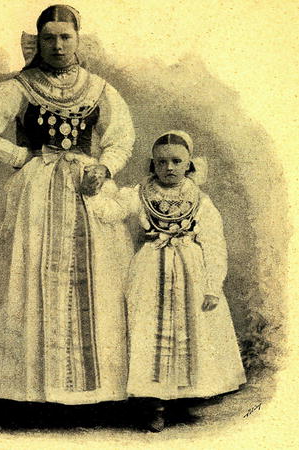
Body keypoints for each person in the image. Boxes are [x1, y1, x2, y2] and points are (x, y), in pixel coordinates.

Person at [0, 5, 135, 405]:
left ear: (78, 40)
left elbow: (122, 137)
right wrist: (20, 156)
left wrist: (104, 167)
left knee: (100, 279)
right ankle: (25, 391)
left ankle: (98, 392)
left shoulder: (98, 88)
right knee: (23, 276)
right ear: (38, 41)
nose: (57, 45)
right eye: (49, 38)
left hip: (87, 189)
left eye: (65, 37)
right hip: (33, 193)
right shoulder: (20, 87)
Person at [91, 130, 246, 431]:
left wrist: (212, 286)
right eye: (161, 162)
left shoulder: (200, 200)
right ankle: (154, 403)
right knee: (148, 330)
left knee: (192, 329)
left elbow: (214, 244)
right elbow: (111, 212)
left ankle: (184, 397)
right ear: (153, 164)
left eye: (176, 161)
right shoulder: (139, 193)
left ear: (189, 163)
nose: (169, 168)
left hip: (192, 272)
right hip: (149, 270)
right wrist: (94, 192)